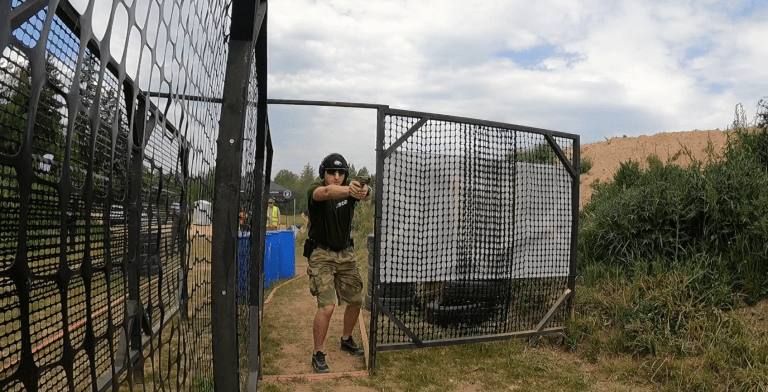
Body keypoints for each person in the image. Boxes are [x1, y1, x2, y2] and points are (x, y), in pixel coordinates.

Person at [305, 153, 372, 373]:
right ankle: (318, 353)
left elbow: (368, 195)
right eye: (331, 172)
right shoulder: (316, 189)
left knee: (355, 300)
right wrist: (352, 189)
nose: (336, 176)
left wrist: (365, 190)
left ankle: (346, 339)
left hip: (346, 254)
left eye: (341, 173)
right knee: (327, 307)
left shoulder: (349, 191)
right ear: (323, 173)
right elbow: (325, 192)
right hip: (321, 254)